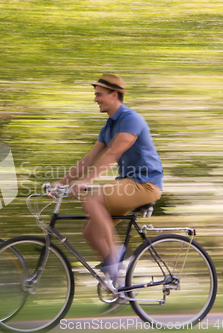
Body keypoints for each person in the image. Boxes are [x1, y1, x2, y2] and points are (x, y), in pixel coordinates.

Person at [52, 74, 163, 285]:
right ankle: (121, 284)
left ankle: (116, 257)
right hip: (128, 185)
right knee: (91, 233)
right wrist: (62, 182)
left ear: (114, 95)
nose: (95, 99)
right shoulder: (109, 126)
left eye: (99, 95)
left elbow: (112, 155)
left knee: (92, 197)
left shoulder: (131, 119)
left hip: (145, 185)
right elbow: (89, 159)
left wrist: (86, 182)